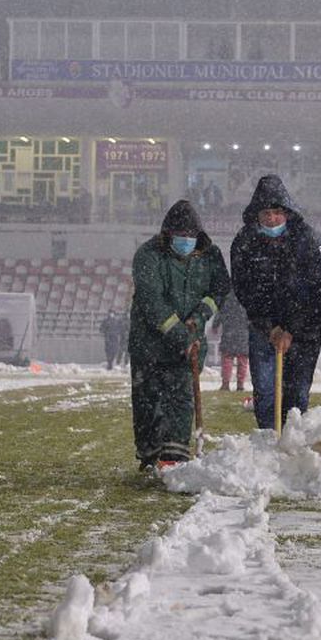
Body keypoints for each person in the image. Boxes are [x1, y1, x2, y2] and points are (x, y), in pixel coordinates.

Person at [129, 200, 230, 468]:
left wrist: (198, 318)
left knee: (181, 397)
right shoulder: (148, 256)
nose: (186, 240)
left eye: (190, 236)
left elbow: (219, 289)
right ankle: (150, 453)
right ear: (167, 234)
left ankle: (174, 456)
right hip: (150, 345)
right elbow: (153, 304)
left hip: (190, 344)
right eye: (180, 236)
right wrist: (182, 336)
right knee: (148, 400)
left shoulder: (209, 255)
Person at [230, 175, 321, 431]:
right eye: (266, 213)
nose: (271, 219)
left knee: (296, 395)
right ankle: (267, 445)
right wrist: (270, 328)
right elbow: (244, 289)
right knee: (265, 392)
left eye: (277, 212)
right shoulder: (245, 242)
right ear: (257, 214)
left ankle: (292, 444)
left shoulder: (310, 241)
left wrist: (291, 329)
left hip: (304, 331)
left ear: (286, 212)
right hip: (263, 330)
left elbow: (319, 290)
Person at [212, 294, 250, 391]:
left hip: (228, 334)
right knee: (242, 361)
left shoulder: (226, 299)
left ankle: (225, 383)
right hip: (243, 335)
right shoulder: (247, 297)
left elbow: (219, 313)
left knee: (227, 360)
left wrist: (215, 325)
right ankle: (240, 384)